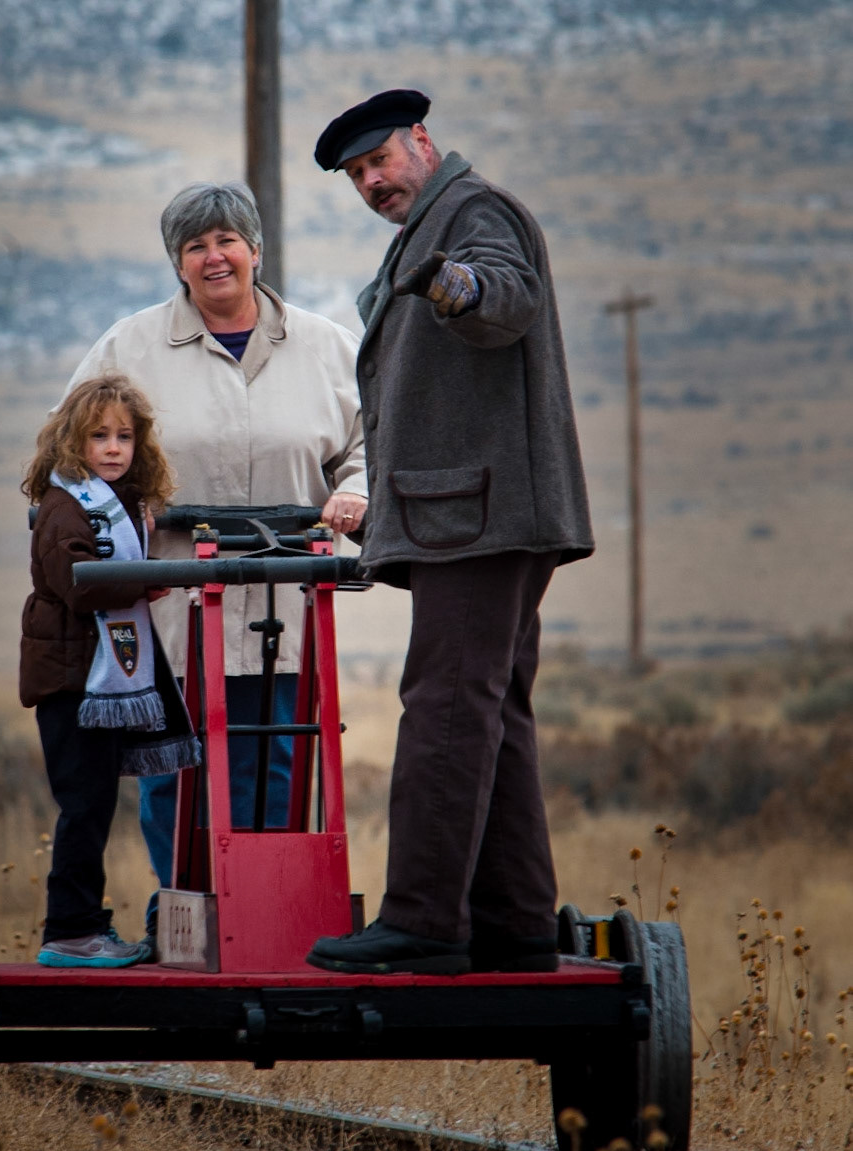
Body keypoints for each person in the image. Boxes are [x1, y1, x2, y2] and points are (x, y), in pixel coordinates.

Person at [306, 89, 595, 975]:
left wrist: (450, 281)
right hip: (474, 514)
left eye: (379, 161)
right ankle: (512, 923)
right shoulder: (432, 222)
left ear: (422, 143)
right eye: (356, 175)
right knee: (488, 707)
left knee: (441, 703)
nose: (369, 182)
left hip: (480, 516)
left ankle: (424, 923)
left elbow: (502, 298)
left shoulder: (472, 214)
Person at [59, 182, 367, 950]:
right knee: (174, 774)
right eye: (194, 246)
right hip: (168, 607)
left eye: (226, 240)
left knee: (278, 760)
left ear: (256, 250)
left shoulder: (328, 347)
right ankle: (189, 914)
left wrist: (354, 494)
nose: (213, 257)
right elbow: (70, 458)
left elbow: (373, 448)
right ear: (177, 263)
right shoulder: (127, 349)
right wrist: (121, 509)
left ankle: (278, 920)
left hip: (292, 604)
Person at [20, 372, 200, 968]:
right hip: (72, 683)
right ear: (74, 442)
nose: (114, 448)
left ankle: (83, 925)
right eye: (99, 436)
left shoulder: (115, 505)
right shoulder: (64, 506)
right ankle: (71, 931)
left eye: (125, 436)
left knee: (94, 806)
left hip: (92, 678)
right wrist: (154, 580)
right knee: (84, 808)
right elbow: (77, 584)